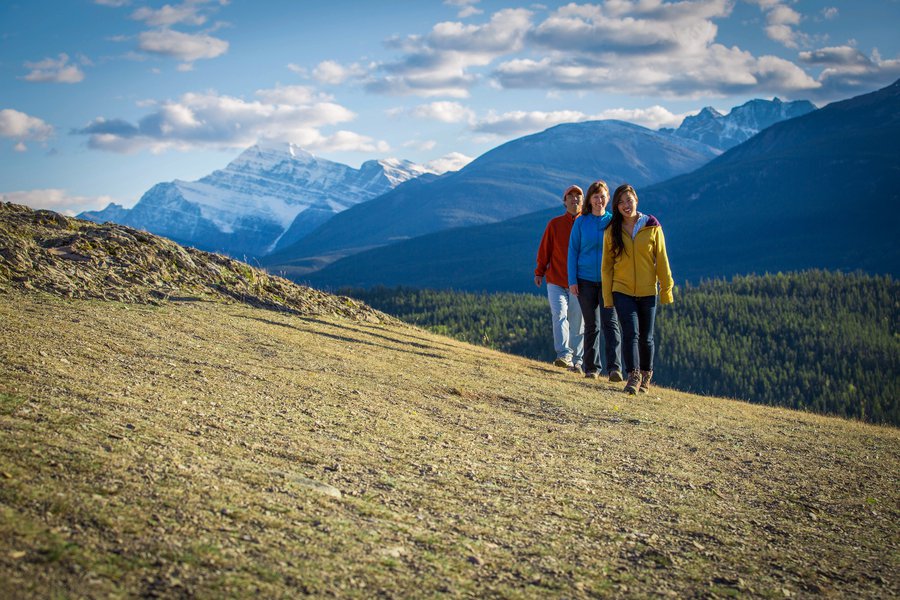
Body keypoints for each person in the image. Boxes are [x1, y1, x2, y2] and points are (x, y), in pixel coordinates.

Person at [601, 184, 674, 395]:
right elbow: (606, 267)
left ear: (636, 200)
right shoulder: (611, 230)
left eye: (629, 200)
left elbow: (661, 259)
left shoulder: (652, 226)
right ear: (616, 206)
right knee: (630, 333)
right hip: (621, 289)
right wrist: (608, 297)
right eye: (621, 202)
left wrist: (666, 289)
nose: (625, 205)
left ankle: (646, 375)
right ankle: (632, 376)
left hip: (648, 291)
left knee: (646, 337)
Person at [568, 180, 623, 382]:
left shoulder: (613, 221)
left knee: (611, 324)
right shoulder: (581, 222)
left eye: (602, 196)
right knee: (592, 325)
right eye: (595, 196)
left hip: (609, 281)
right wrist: (572, 280)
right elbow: (572, 251)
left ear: (608, 199)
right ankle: (591, 368)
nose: (599, 200)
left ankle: (615, 369)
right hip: (584, 280)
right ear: (589, 200)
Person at [534, 185, 585, 373]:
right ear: (564, 201)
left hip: (580, 283)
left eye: (578, 196)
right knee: (560, 315)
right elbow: (545, 249)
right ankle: (564, 355)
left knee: (578, 321)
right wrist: (539, 272)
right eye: (570, 196)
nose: (574, 199)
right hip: (555, 280)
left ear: (583, 200)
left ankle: (578, 361)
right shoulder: (554, 224)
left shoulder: (587, 223)